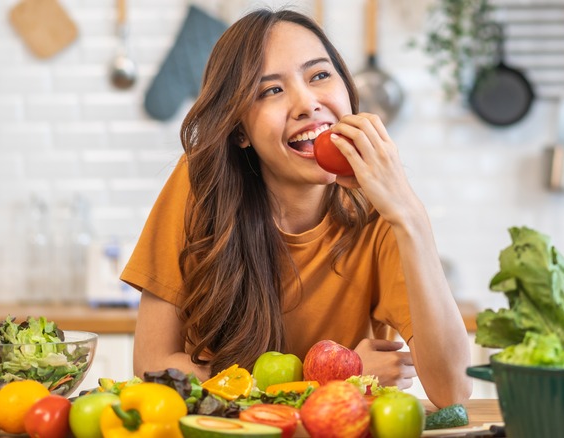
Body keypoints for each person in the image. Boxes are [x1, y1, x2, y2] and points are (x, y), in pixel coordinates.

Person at [121, 7, 471, 407]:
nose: (307, 103)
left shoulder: (382, 212)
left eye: (319, 75)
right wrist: (336, 374)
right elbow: (153, 368)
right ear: (240, 132)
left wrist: (410, 214)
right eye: (271, 90)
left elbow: (453, 390)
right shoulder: (200, 185)